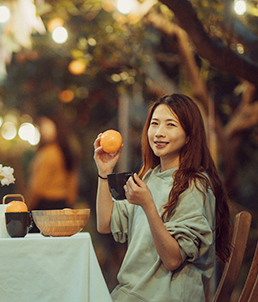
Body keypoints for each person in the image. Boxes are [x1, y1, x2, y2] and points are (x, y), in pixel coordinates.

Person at [94, 93, 231, 302]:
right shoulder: (150, 177)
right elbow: (105, 223)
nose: (158, 133)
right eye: (154, 124)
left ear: (189, 135)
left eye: (170, 125)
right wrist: (104, 171)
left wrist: (148, 205)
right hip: (130, 294)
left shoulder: (194, 184)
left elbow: (173, 259)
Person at [26, 112, 79, 211]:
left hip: (45, 206)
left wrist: (27, 207)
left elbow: (37, 187)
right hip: (63, 204)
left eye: (45, 125)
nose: (42, 130)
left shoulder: (48, 153)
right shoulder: (66, 152)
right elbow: (73, 185)